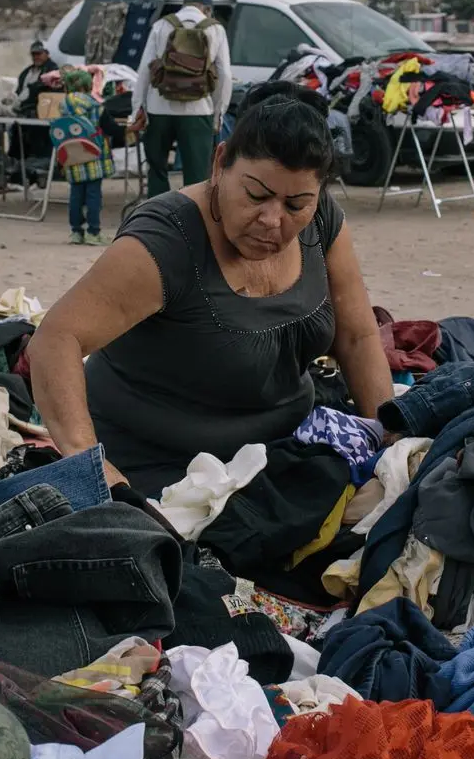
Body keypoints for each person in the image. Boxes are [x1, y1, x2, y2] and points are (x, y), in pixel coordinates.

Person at [26, 81, 394, 495]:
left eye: (295, 205)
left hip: (280, 455)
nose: (273, 219)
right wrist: (91, 469)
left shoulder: (322, 219)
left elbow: (358, 336)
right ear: (220, 164)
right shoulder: (168, 241)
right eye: (256, 194)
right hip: (160, 470)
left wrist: (389, 435)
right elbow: (55, 340)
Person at [131, 0, 232, 198]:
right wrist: (217, 112)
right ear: (206, 9)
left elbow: (144, 69)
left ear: (184, 5)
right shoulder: (215, 29)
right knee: (196, 177)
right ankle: (191, 221)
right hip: (198, 110)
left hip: (159, 108)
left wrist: (138, 107)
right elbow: (225, 76)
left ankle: (156, 218)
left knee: (157, 169)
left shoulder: (161, 25)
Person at [57, 66, 115, 247]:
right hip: (93, 157)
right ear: (87, 86)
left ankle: (76, 232)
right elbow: (111, 128)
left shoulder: (64, 106)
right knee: (93, 196)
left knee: (75, 195)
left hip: (72, 156)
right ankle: (93, 232)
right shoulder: (96, 106)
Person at [16, 41, 60, 117]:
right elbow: (19, 90)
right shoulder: (26, 72)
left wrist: (30, 90)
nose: (36, 57)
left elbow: (45, 85)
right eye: (34, 54)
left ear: (46, 53)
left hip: (39, 109)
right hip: (22, 108)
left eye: (39, 54)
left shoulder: (52, 69)